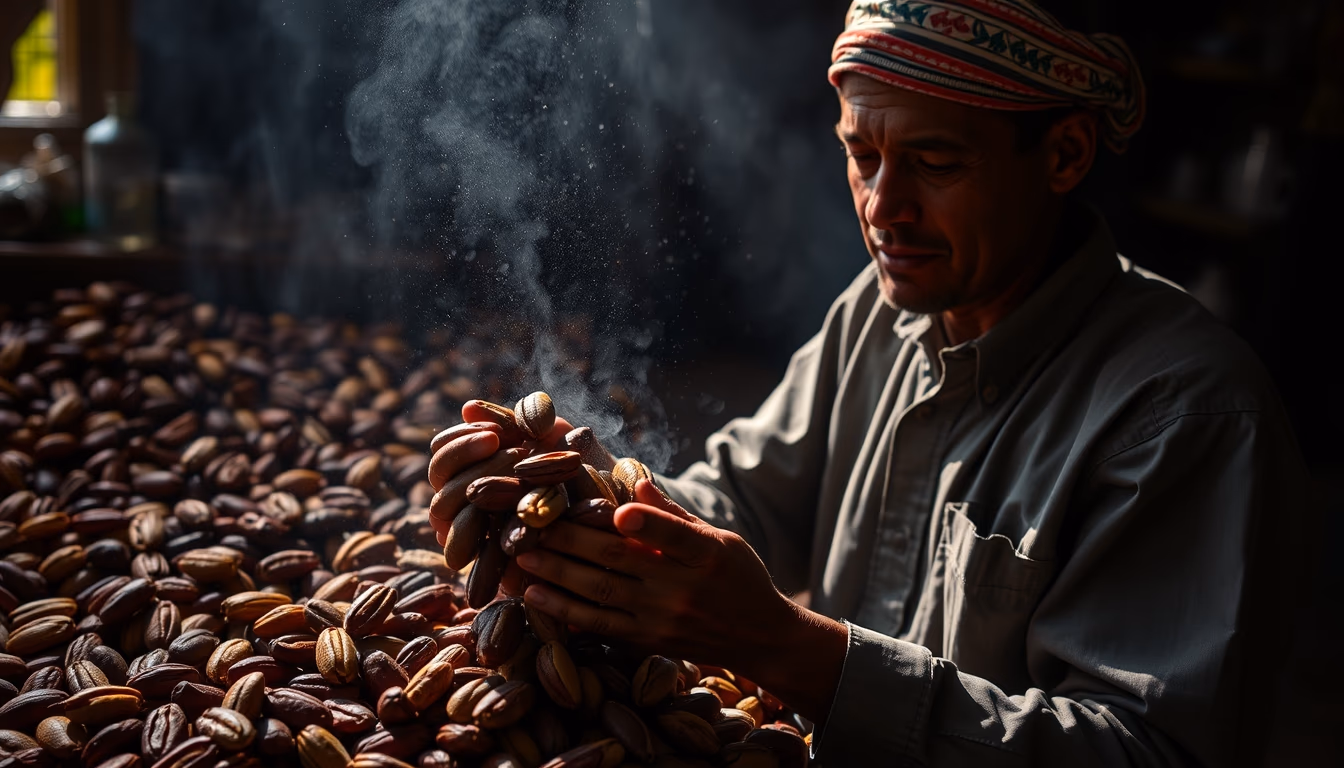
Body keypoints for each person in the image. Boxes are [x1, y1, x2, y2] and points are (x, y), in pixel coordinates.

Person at [431, 1, 1312, 764]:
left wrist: (789, 649)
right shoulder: (882, 315)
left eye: (935, 162)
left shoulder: (1184, 413)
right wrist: (582, 511)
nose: (884, 207)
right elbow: (741, 500)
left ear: (1065, 154)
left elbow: (1146, 750)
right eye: (862, 155)